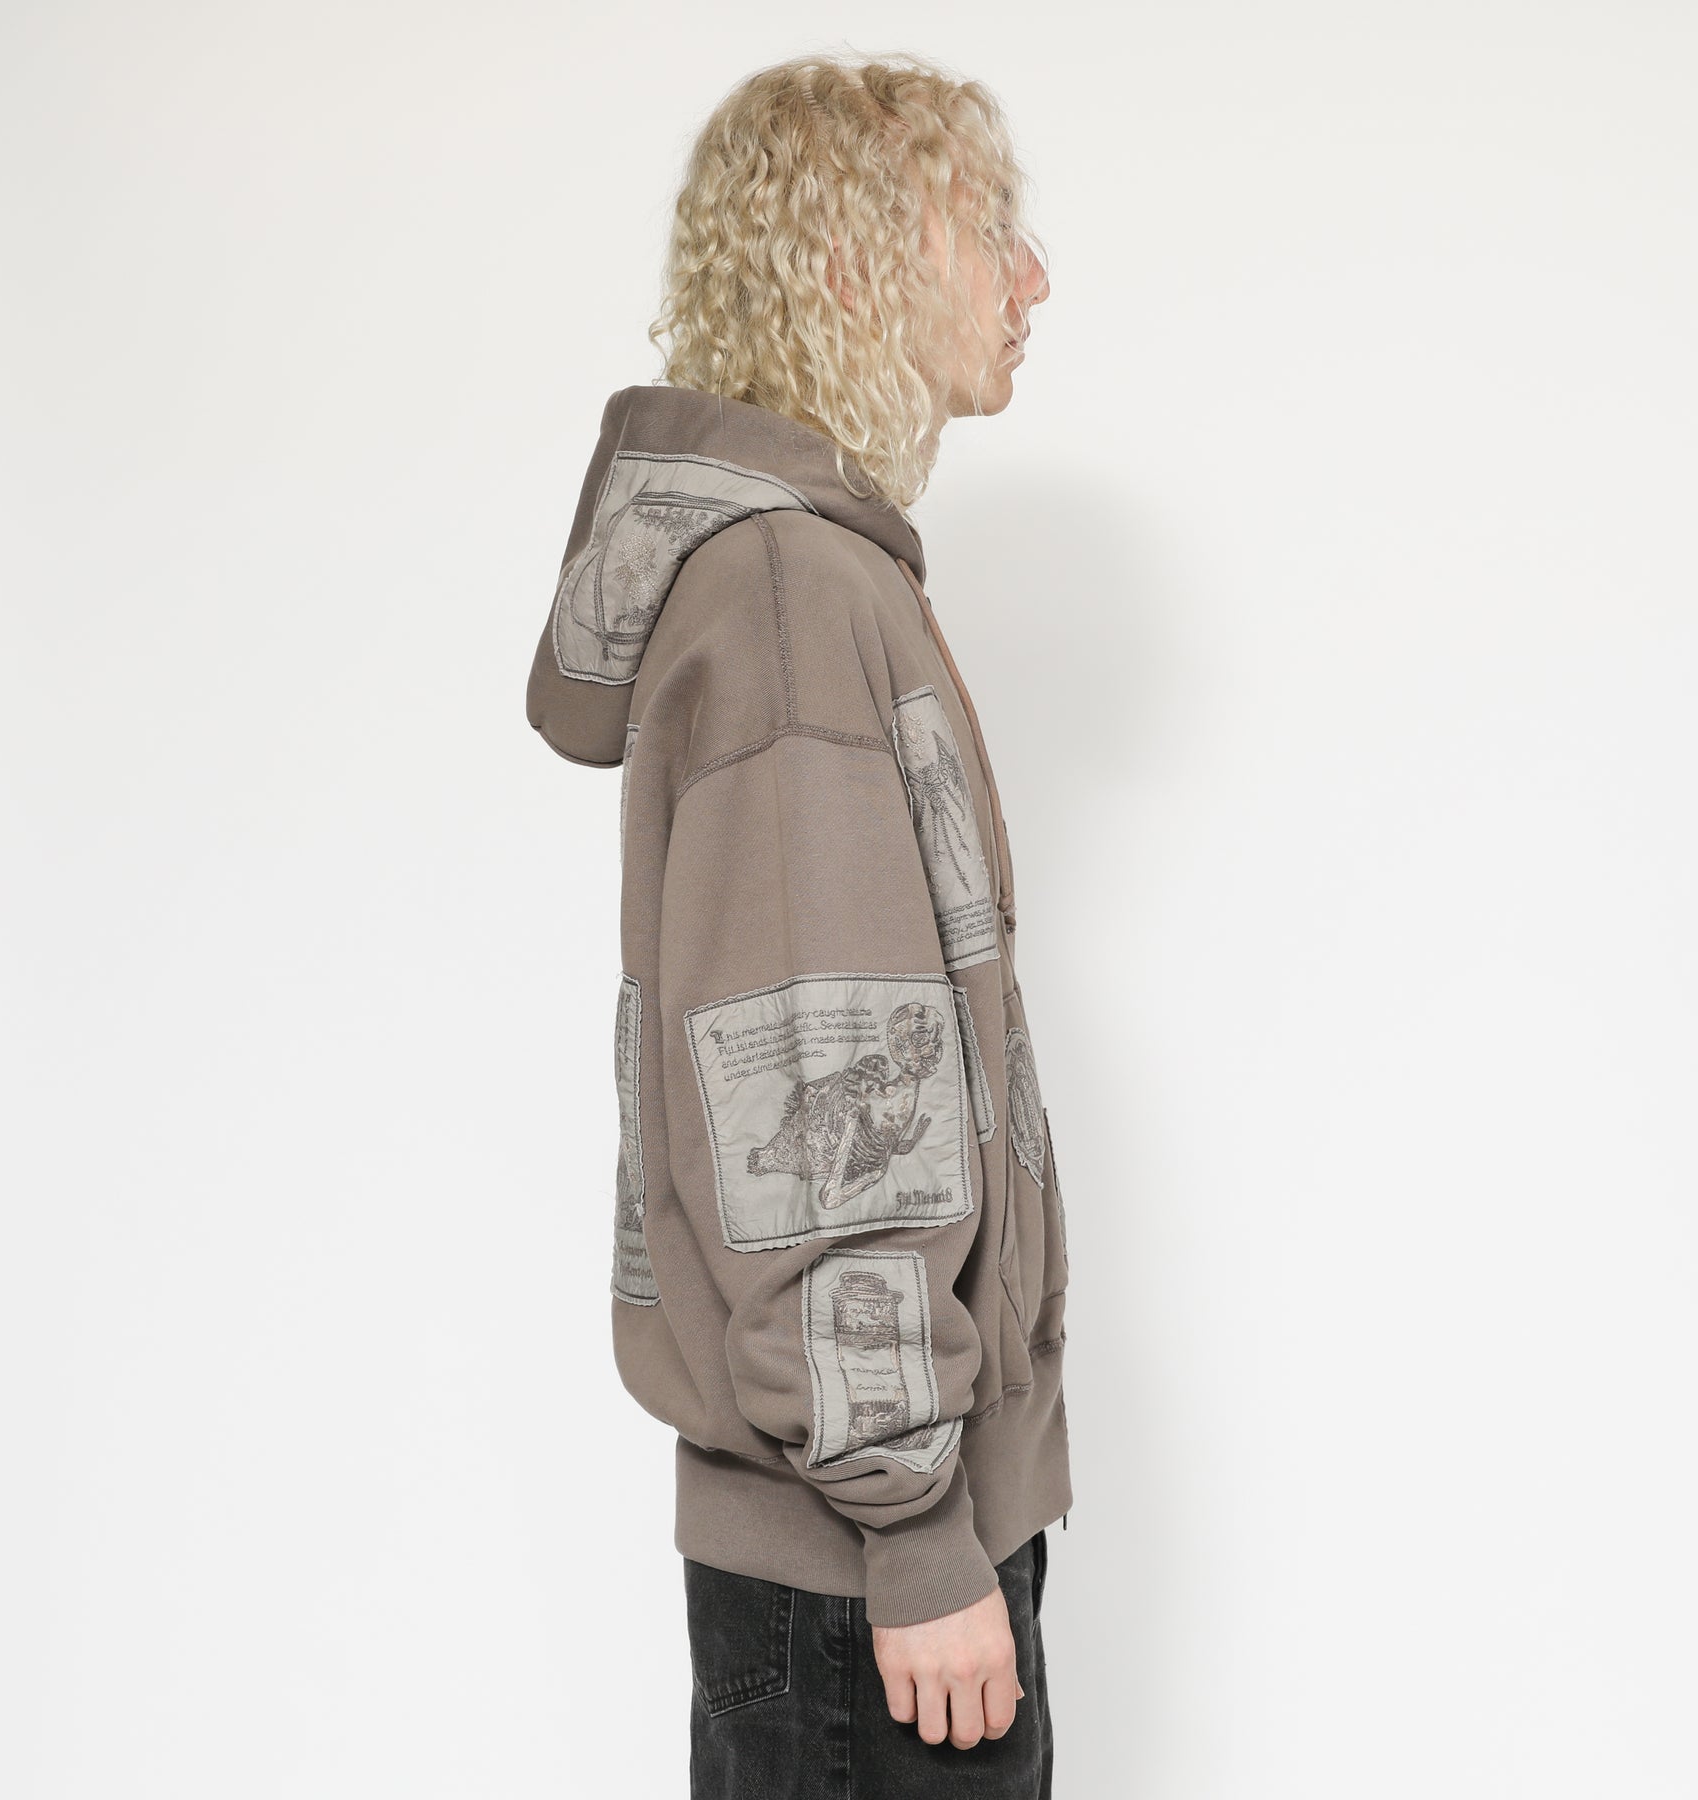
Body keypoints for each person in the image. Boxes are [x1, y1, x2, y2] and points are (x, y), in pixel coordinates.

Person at [525, 51, 1070, 1799]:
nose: (1034, 276)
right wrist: (916, 1535)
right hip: (864, 1572)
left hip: (871, 1554)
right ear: (851, 262)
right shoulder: (786, 600)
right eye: (989, 231)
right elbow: (822, 1116)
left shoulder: (824, 581)